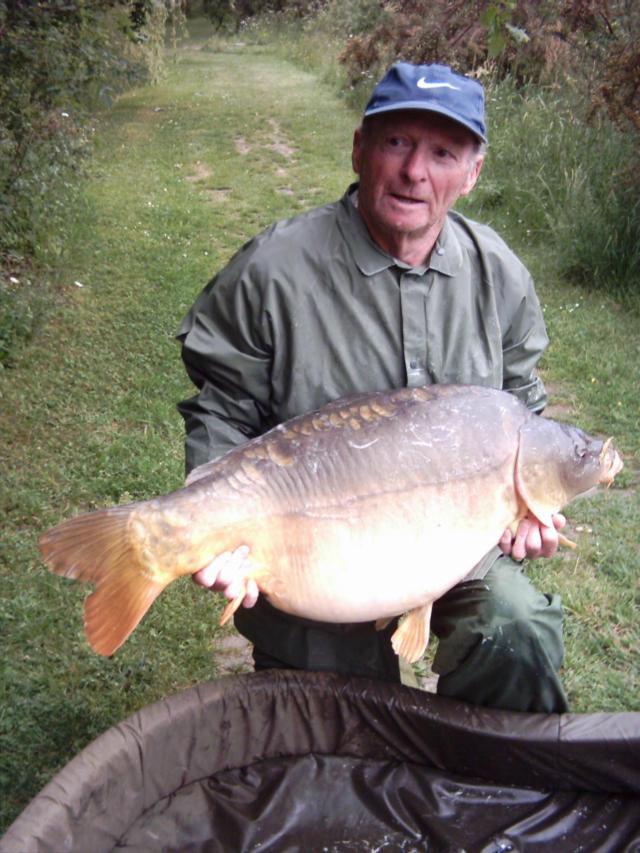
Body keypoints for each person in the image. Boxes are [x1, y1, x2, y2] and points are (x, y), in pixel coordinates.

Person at [176, 61, 569, 713]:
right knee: (341, 715)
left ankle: (490, 788)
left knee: (517, 628)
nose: (416, 171)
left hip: (453, 540)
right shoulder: (272, 272)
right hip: (316, 546)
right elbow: (222, 405)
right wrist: (215, 525)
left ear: (472, 173)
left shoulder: (499, 274)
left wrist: (532, 505)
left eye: (443, 152)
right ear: (360, 149)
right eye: (397, 143)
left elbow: (524, 410)